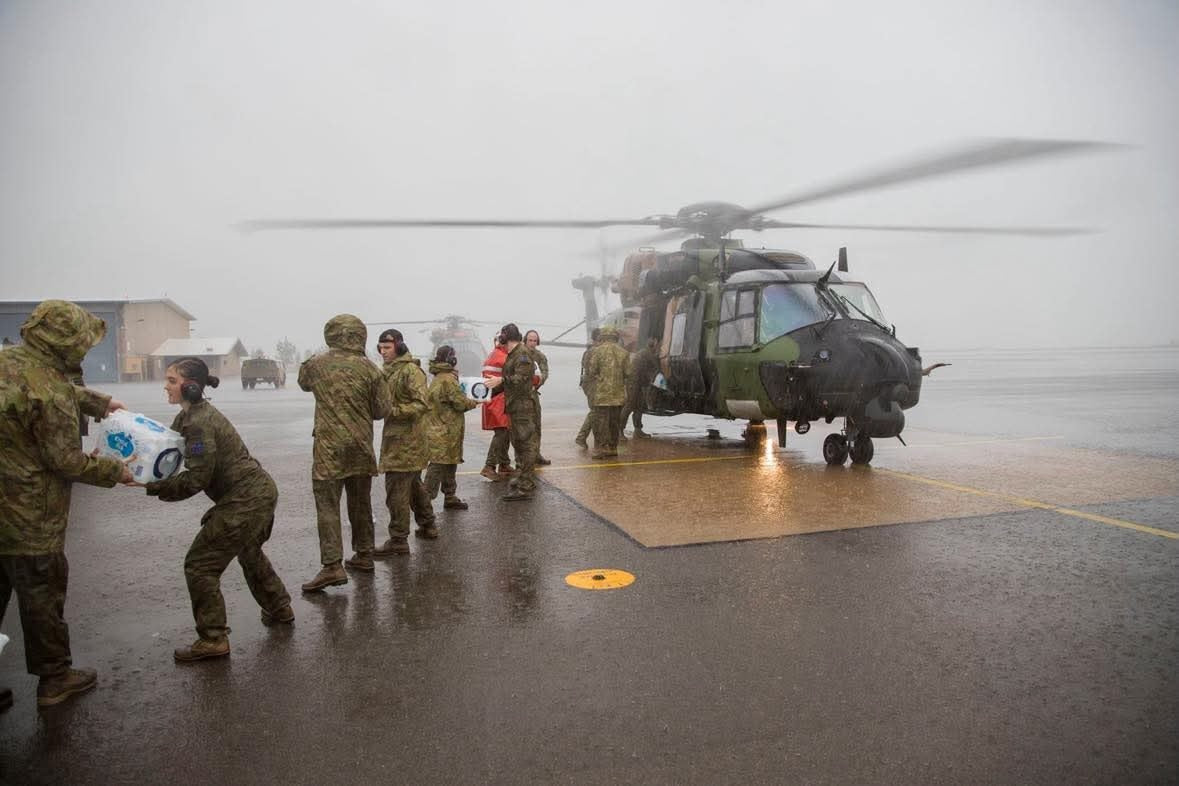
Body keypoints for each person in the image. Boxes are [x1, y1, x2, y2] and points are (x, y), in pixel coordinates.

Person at [0, 299, 134, 707]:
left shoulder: (8, 362)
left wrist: (97, 402)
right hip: (29, 515)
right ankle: (55, 678)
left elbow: (33, 387)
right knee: (41, 594)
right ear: (65, 342)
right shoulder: (52, 391)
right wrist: (115, 471)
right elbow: (66, 461)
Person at [143, 358, 293, 661]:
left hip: (247, 499)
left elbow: (197, 478)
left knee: (200, 565)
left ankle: (213, 639)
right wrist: (133, 462)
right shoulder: (189, 416)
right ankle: (279, 607)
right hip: (254, 493)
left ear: (191, 386)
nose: (165, 386)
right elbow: (167, 449)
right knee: (248, 551)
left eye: (172, 381)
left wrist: (154, 486)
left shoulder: (199, 423)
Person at [297, 314, 392, 592]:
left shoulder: (316, 365)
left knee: (328, 505)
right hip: (360, 445)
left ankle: (332, 566)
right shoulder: (371, 369)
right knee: (360, 502)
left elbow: (303, 382)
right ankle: (364, 554)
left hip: (329, 448)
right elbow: (381, 410)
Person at [373, 329, 437, 556]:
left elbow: (422, 404)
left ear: (399, 346)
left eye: (387, 347)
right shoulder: (390, 371)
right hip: (399, 440)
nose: (383, 352)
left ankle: (398, 539)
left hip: (406, 442)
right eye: (380, 348)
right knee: (413, 486)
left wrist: (393, 411)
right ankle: (428, 524)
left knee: (396, 491)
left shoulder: (410, 371)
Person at [486, 323, 541, 501]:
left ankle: (526, 486)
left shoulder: (522, 354)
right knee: (518, 443)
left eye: (501, 335)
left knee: (525, 446)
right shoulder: (513, 354)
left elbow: (521, 378)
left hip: (522, 407)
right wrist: (486, 394)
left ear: (506, 337)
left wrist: (501, 380)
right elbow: (508, 382)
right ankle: (523, 478)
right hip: (514, 406)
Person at [423, 345, 479, 511]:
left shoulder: (439, 377)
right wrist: (475, 401)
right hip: (444, 430)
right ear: (451, 359)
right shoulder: (448, 379)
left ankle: (450, 496)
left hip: (443, 428)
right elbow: (460, 403)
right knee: (438, 465)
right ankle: (424, 501)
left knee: (450, 462)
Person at [585, 325, 631, 459]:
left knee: (601, 423)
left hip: (602, 395)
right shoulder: (624, 353)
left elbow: (591, 371)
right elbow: (628, 373)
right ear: (615, 337)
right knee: (614, 422)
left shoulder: (597, 351)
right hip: (618, 395)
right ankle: (612, 448)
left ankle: (600, 448)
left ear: (603, 336)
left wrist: (601, 377)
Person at [479, 332, 513, 481]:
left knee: (504, 432)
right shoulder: (503, 357)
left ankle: (504, 464)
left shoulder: (494, 355)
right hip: (499, 401)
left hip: (494, 400)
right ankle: (489, 466)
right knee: (502, 433)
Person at [620, 337, 660, 440]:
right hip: (633, 383)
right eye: (658, 345)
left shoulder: (644, 352)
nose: (659, 347)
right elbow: (657, 369)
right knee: (629, 406)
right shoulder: (647, 354)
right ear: (654, 345)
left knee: (639, 406)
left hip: (639, 383)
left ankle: (638, 430)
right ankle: (619, 431)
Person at [523, 329, 552, 466]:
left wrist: (539, 382)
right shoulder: (519, 354)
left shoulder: (540, 356)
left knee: (536, 426)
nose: (532, 343)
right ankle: (524, 458)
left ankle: (536, 454)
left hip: (533, 395)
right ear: (525, 340)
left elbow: (545, 372)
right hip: (520, 395)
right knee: (523, 428)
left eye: (535, 341)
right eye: (530, 340)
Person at [574, 327, 602, 448]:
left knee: (596, 410)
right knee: (595, 410)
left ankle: (593, 438)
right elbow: (592, 370)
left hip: (588, 383)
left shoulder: (590, 350)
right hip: (592, 384)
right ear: (598, 338)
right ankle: (581, 437)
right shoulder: (594, 351)